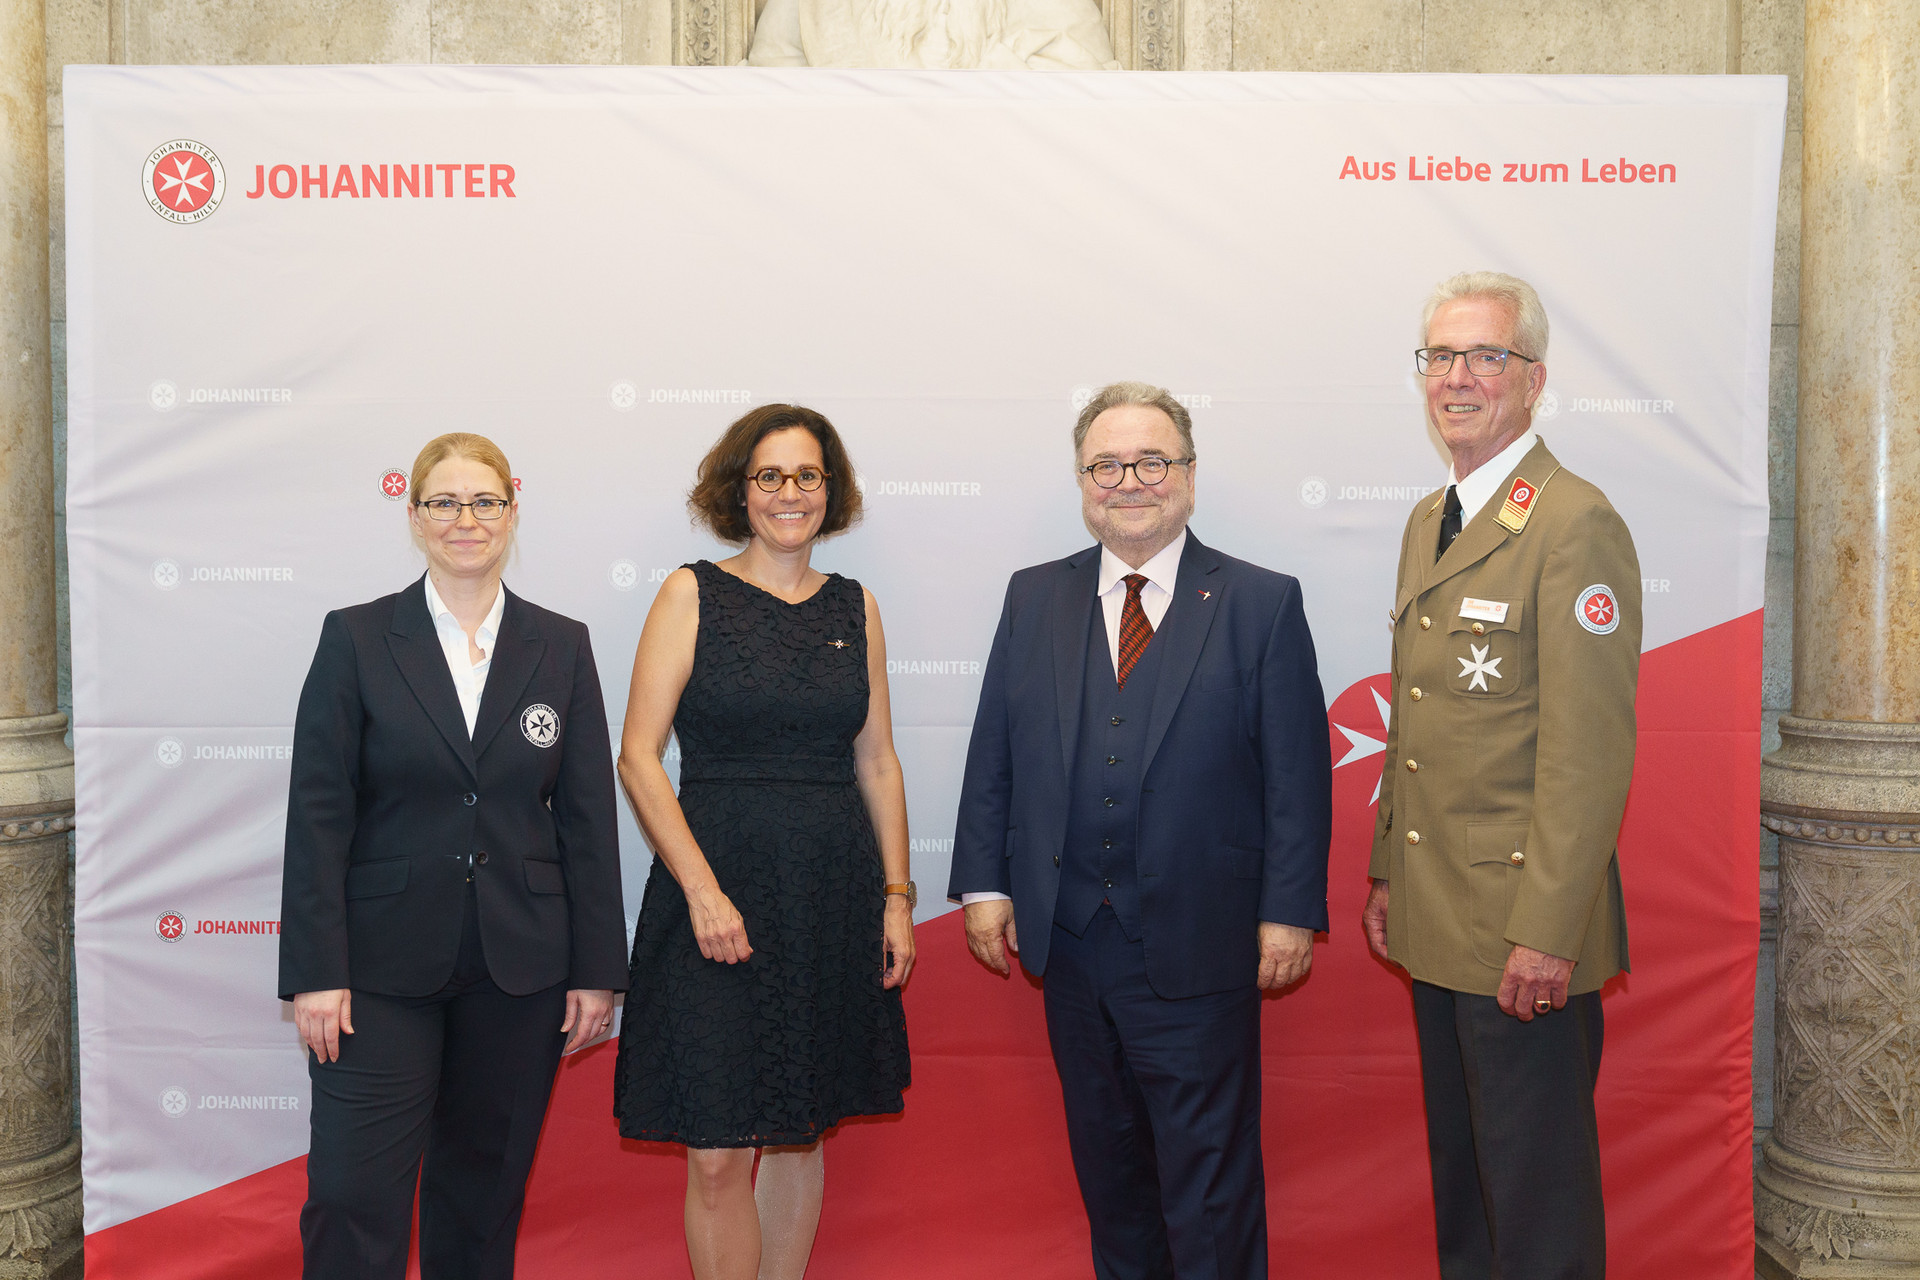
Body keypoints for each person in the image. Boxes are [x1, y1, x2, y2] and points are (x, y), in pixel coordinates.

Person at [948, 381, 1333, 1280]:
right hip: (1071, 943)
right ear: (1083, 482)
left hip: (1203, 943)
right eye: (1108, 466)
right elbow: (996, 747)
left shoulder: (1260, 601)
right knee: (1111, 1177)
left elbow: (1296, 776)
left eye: (1152, 462)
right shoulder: (1033, 596)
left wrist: (1288, 912)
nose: (1130, 482)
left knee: (1210, 1187)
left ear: (1189, 475)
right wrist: (986, 884)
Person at [278, 432, 627, 1279]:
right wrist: (314, 971)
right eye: (444, 501)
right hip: (377, 970)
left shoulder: (562, 644)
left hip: (521, 970)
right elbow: (318, 813)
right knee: (353, 1197)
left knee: (481, 1201)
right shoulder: (357, 637)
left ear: (512, 510)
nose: (465, 519)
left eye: (484, 501)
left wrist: (598, 970)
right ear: (413, 515)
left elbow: (587, 819)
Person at [1362, 271, 1641, 1279]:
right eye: (1440, 356)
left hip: (1522, 925)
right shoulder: (1429, 518)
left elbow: (1587, 753)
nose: (1458, 378)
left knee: (1537, 1206)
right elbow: (1419, 720)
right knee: (1470, 1190)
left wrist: (1548, 930)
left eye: (1486, 356)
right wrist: (1388, 871)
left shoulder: (1574, 522)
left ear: (1534, 380)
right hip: (1440, 909)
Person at [613, 404, 913, 1280]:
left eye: (807, 475)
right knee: (715, 1149)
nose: (790, 493)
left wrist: (898, 899)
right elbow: (638, 756)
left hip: (829, 892)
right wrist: (702, 891)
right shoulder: (690, 592)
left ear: (831, 489)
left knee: (797, 1129)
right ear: (740, 491)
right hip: (714, 890)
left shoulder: (858, 607)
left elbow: (878, 761)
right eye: (770, 476)